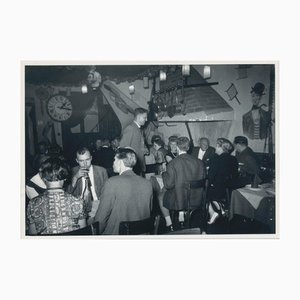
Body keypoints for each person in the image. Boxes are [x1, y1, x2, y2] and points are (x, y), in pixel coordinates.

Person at [93, 148, 153, 235]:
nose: (113, 163)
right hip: (142, 235)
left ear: (120, 162)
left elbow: (101, 219)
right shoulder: (147, 183)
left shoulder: (112, 183)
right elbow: (148, 212)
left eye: (114, 159)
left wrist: (94, 233)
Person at [27, 157, 86, 235]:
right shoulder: (78, 201)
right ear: (65, 178)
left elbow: (33, 234)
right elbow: (83, 232)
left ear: (43, 178)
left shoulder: (33, 204)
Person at [160, 136, 206, 231]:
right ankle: (182, 214)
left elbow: (168, 185)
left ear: (177, 147)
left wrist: (164, 173)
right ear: (188, 148)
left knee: (160, 196)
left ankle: (169, 223)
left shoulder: (173, 163)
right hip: (197, 198)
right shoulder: (200, 162)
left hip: (180, 199)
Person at [68, 147, 108, 222]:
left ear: (91, 158)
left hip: (97, 203)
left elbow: (107, 194)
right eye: (81, 161)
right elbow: (68, 193)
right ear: (77, 161)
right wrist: (76, 177)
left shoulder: (102, 171)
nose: (85, 164)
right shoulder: (72, 172)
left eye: (87, 160)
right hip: (78, 204)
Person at [207, 138, 239, 224]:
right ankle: (222, 209)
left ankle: (213, 213)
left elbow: (210, 176)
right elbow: (235, 175)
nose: (215, 148)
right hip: (229, 188)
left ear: (220, 147)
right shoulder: (234, 159)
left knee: (202, 190)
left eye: (216, 146)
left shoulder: (216, 159)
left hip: (218, 189)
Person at [119, 107, 149, 175]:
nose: (146, 120)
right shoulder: (130, 128)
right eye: (144, 117)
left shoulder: (139, 129)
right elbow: (123, 148)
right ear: (138, 117)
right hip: (133, 166)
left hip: (138, 165)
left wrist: (144, 150)